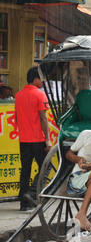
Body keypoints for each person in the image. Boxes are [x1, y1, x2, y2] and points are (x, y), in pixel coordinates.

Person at [15, 67, 52, 211]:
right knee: (46, 166)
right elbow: (43, 118)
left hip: (23, 138)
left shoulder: (18, 95)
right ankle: (32, 193)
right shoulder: (40, 95)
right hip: (37, 138)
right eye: (41, 78)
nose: (42, 81)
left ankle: (24, 203)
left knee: (25, 170)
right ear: (35, 79)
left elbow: (17, 117)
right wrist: (48, 139)